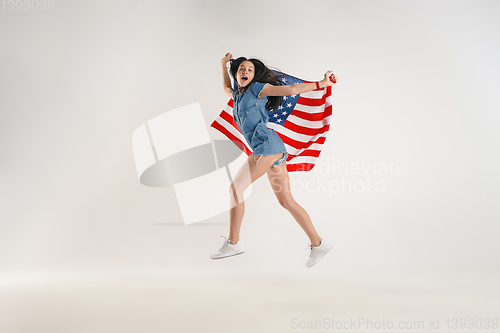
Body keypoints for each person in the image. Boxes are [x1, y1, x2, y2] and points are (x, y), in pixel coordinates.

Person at [210, 53, 338, 268]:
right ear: (236, 73)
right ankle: (319, 244)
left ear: (254, 75)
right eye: (242, 69)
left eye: (250, 69)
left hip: (267, 147)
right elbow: (226, 88)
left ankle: (234, 242)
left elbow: (290, 90)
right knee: (286, 201)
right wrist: (224, 66)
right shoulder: (238, 95)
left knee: (235, 189)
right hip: (273, 149)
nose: (245, 72)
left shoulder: (258, 88)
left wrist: (321, 83)